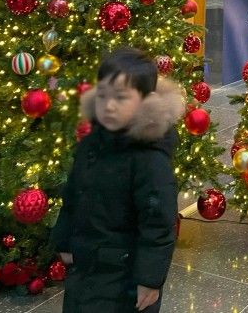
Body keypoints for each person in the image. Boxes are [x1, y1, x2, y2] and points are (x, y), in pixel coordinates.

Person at [51, 47, 185, 312]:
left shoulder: (149, 158)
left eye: (121, 98)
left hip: (127, 277)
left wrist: (149, 279)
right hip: (87, 266)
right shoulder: (92, 143)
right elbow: (73, 195)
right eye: (103, 95)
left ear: (146, 101)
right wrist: (64, 240)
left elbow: (158, 225)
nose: (109, 105)